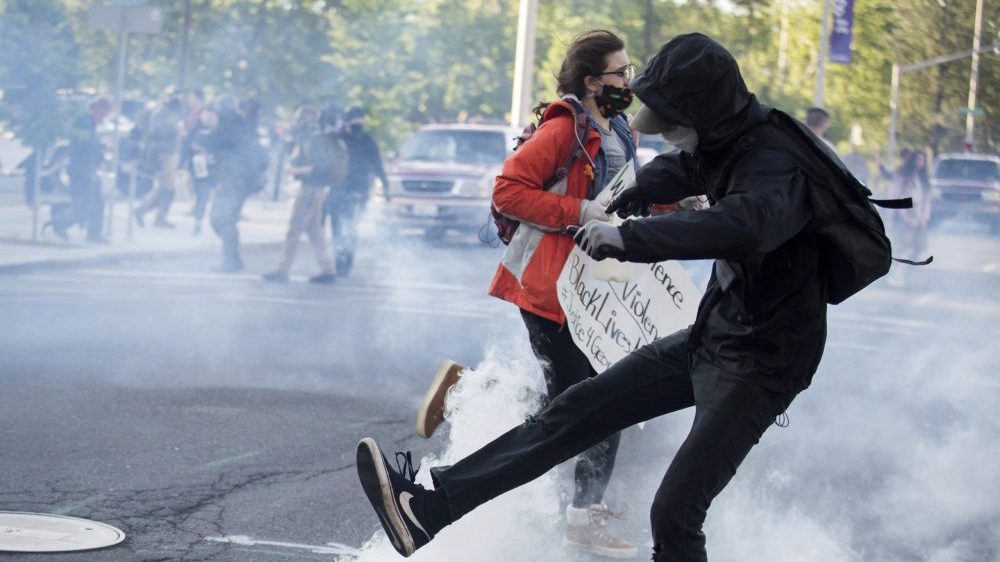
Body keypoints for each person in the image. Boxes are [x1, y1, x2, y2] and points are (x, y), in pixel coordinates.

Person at [356, 33, 835, 562]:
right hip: (712, 333)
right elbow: (683, 168)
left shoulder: (776, 164)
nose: (673, 139)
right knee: (575, 410)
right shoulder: (726, 138)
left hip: (762, 363)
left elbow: (740, 226)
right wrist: (636, 191)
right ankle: (427, 509)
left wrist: (629, 236)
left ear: (706, 112)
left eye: (678, 127)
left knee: (674, 513)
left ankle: (546, 488)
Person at [411, 29, 640, 559]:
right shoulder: (564, 129)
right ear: (591, 81)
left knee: (583, 399)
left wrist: (680, 208)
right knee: (592, 402)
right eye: (620, 73)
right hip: (550, 290)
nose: (629, 81)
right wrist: (579, 213)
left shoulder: (622, 129)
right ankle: (583, 517)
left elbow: (626, 197)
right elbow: (508, 191)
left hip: (596, 293)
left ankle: (474, 390)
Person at [261, 104, 342, 284]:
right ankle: (327, 269)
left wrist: (296, 170)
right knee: (314, 231)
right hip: (314, 190)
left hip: (311, 190)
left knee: (295, 229)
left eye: (299, 118)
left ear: (307, 120)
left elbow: (321, 166)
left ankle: (283, 269)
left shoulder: (314, 139)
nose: (295, 123)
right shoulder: (312, 138)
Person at [326, 105, 389, 276]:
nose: (358, 122)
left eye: (361, 118)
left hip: (359, 190)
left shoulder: (367, 141)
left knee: (351, 226)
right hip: (338, 188)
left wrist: (386, 186)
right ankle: (339, 260)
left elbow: (377, 164)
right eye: (355, 118)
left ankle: (347, 261)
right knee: (338, 226)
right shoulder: (339, 139)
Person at [205, 94, 262, 272]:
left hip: (232, 179)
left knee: (220, 219)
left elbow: (214, 142)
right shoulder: (243, 123)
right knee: (227, 219)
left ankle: (231, 261)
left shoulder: (228, 124)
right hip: (241, 180)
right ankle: (233, 260)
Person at [59, 97, 112, 242]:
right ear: (97, 109)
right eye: (103, 115)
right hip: (79, 168)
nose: (103, 119)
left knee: (98, 202)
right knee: (83, 204)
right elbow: (84, 142)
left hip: (88, 168)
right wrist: (101, 145)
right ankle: (59, 223)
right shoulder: (82, 121)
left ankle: (94, 234)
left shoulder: (90, 122)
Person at [134, 92, 184, 228]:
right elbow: (158, 132)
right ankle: (146, 212)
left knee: (167, 187)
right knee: (167, 188)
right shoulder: (163, 114)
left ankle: (152, 214)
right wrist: (175, 129)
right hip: (163, 153)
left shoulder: (163, 112)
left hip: (165, 152)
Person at [885, 150, 931, 287]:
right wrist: (894, 218)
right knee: (901, 247)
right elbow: (895, 196)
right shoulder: (902, 176)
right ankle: (895, 276)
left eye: (922, 161)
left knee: (917, 248)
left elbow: (925, 200)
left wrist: (924, 219)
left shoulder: (922, 178)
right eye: (918, 160)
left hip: (918, 219)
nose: (920, 163)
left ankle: (907, 276)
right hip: (903, 217)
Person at [180, 106, 220, 235]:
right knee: (203, 194)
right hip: (200, 166)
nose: (208, 118)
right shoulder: (197, 129)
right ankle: (198, 220)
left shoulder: (221, 130)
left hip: (217, 167)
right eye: (206, 115)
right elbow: (187, 144)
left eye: (211, 115)